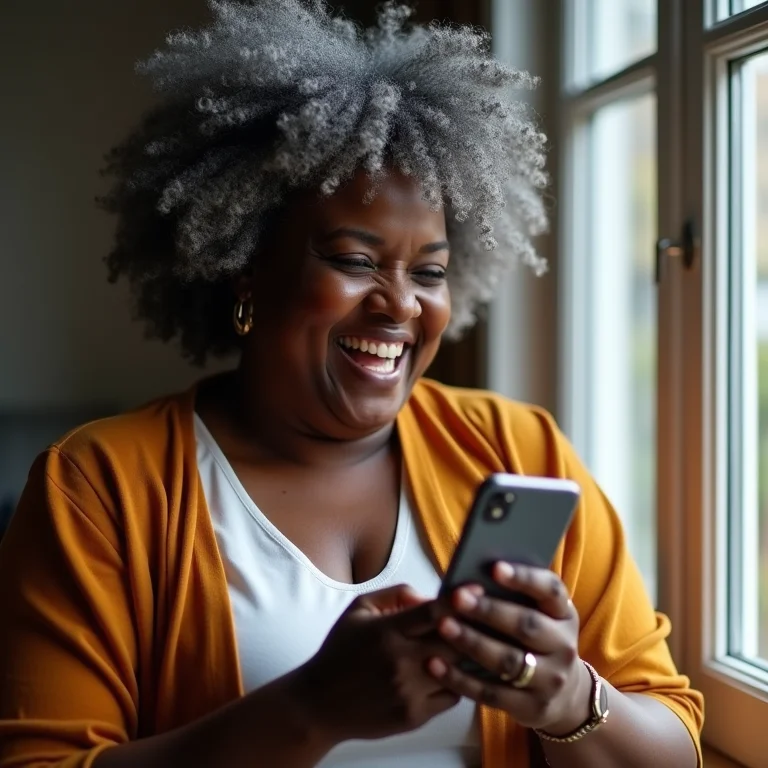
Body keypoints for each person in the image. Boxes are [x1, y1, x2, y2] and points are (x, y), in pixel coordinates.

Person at [0, 2, 703, 767]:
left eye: (428, 272)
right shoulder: (100, 486)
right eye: (355, 260)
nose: (400, 304)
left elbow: (674, 744)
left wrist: (568, 702)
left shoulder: (519, 449)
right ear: (247, 269)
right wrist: (311, 710)